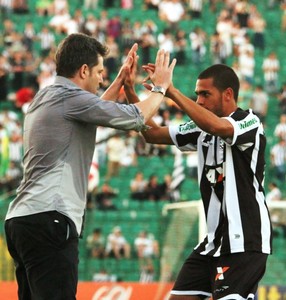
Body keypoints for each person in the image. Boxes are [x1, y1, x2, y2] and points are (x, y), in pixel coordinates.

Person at [4, 32, 176, 300]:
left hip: (23, 219)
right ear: (83, 70)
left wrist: (120, 81)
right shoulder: (69, 98)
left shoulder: (48, 96)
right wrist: (161, 88)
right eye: (99, 71)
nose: (101, 78)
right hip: (51, 216)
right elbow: (136, 117)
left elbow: (93, 112)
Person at [126, 63, 272, 299]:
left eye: (205, 94)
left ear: (228, 94)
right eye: (197, 95)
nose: (200, 101)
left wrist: (170, 90)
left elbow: (217, 126)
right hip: (212, 243)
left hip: (244, 240)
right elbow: (152, 134)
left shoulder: (249, 123)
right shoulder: (200, 128)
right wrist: (131, 93)